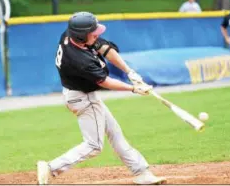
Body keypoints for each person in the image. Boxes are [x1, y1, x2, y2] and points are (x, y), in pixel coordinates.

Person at [36, 11, 167, 185]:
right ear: (82, 36)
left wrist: (130, 72)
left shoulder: (72, 35)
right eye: (93, 32)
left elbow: (104, 48)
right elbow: (105, 82)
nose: (97, 34)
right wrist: (134, 88)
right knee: (94, 145)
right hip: (83, 98)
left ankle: (141, 172)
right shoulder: (79, 60)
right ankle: (52, 167)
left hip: (81, 94)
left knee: (115, 133)